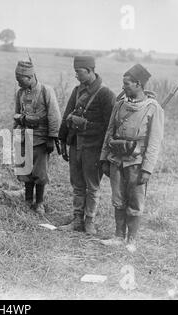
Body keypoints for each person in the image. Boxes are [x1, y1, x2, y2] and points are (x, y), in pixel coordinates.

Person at [100, 64, 164, 252]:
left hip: (136, 162)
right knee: (118, 199)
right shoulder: (120, 104)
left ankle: (131, 240)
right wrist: (104, 158)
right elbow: (109, 132)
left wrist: (147, 169)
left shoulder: (153, 108)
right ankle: (119, 236)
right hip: (116, 159)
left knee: (135, 202)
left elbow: (154, 142)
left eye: (127, 84)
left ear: (138, 84)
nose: (123, 87)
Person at [58, 56, 116, 234]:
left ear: (90, 71)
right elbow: (67, 115)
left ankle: (89, 221)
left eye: (78, 72)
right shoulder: (77, 91)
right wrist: (62, 140)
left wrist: (84, 125)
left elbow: (110, 127)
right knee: (77, 184)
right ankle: (77, 220)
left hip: (94, 148)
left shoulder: (106, 94)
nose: (76, 75)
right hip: (76, 146)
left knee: (92, 186)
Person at [13, 60, 61, 215]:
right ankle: (27, 200)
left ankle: (39, 203)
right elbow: (16, 114)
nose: (18, 82)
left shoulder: (46, 91)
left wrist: (51, 137)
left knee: (40, 173)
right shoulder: (20, 93)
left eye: (20, 79)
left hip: (41, 139)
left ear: (29, 76)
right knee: (26, 171)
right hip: (24, 138)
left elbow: (54, 115)